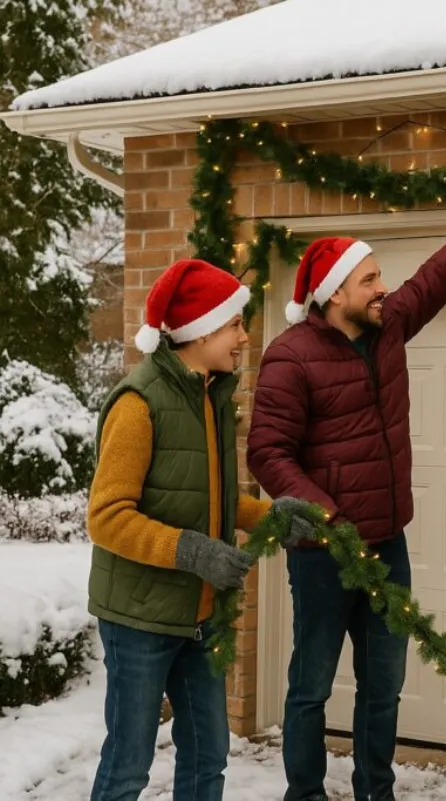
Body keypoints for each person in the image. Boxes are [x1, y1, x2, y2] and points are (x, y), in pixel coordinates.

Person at [246, 176, 446, 801]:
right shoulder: (290, 358)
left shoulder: (388, 325)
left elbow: (436, 278)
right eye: (369, 279)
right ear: (334, 292)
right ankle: (307, 794)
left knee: (383, 686)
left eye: (380, 278)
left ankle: (377, 790)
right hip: (323, 558)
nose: (384, 288)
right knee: (311, 688)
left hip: (388, 546)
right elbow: (267, 453)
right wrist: (326, 516)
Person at [87, 259, 314, 801]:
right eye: (235, 324)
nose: (244, 335)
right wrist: (190, 551)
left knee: (208, 759)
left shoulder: (209, 398)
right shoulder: (139, 404)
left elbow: (208, 496)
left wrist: (271, 518)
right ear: (201, 329)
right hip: (140, 619)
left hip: (201, 616)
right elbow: (107, 516)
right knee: (128, 767)